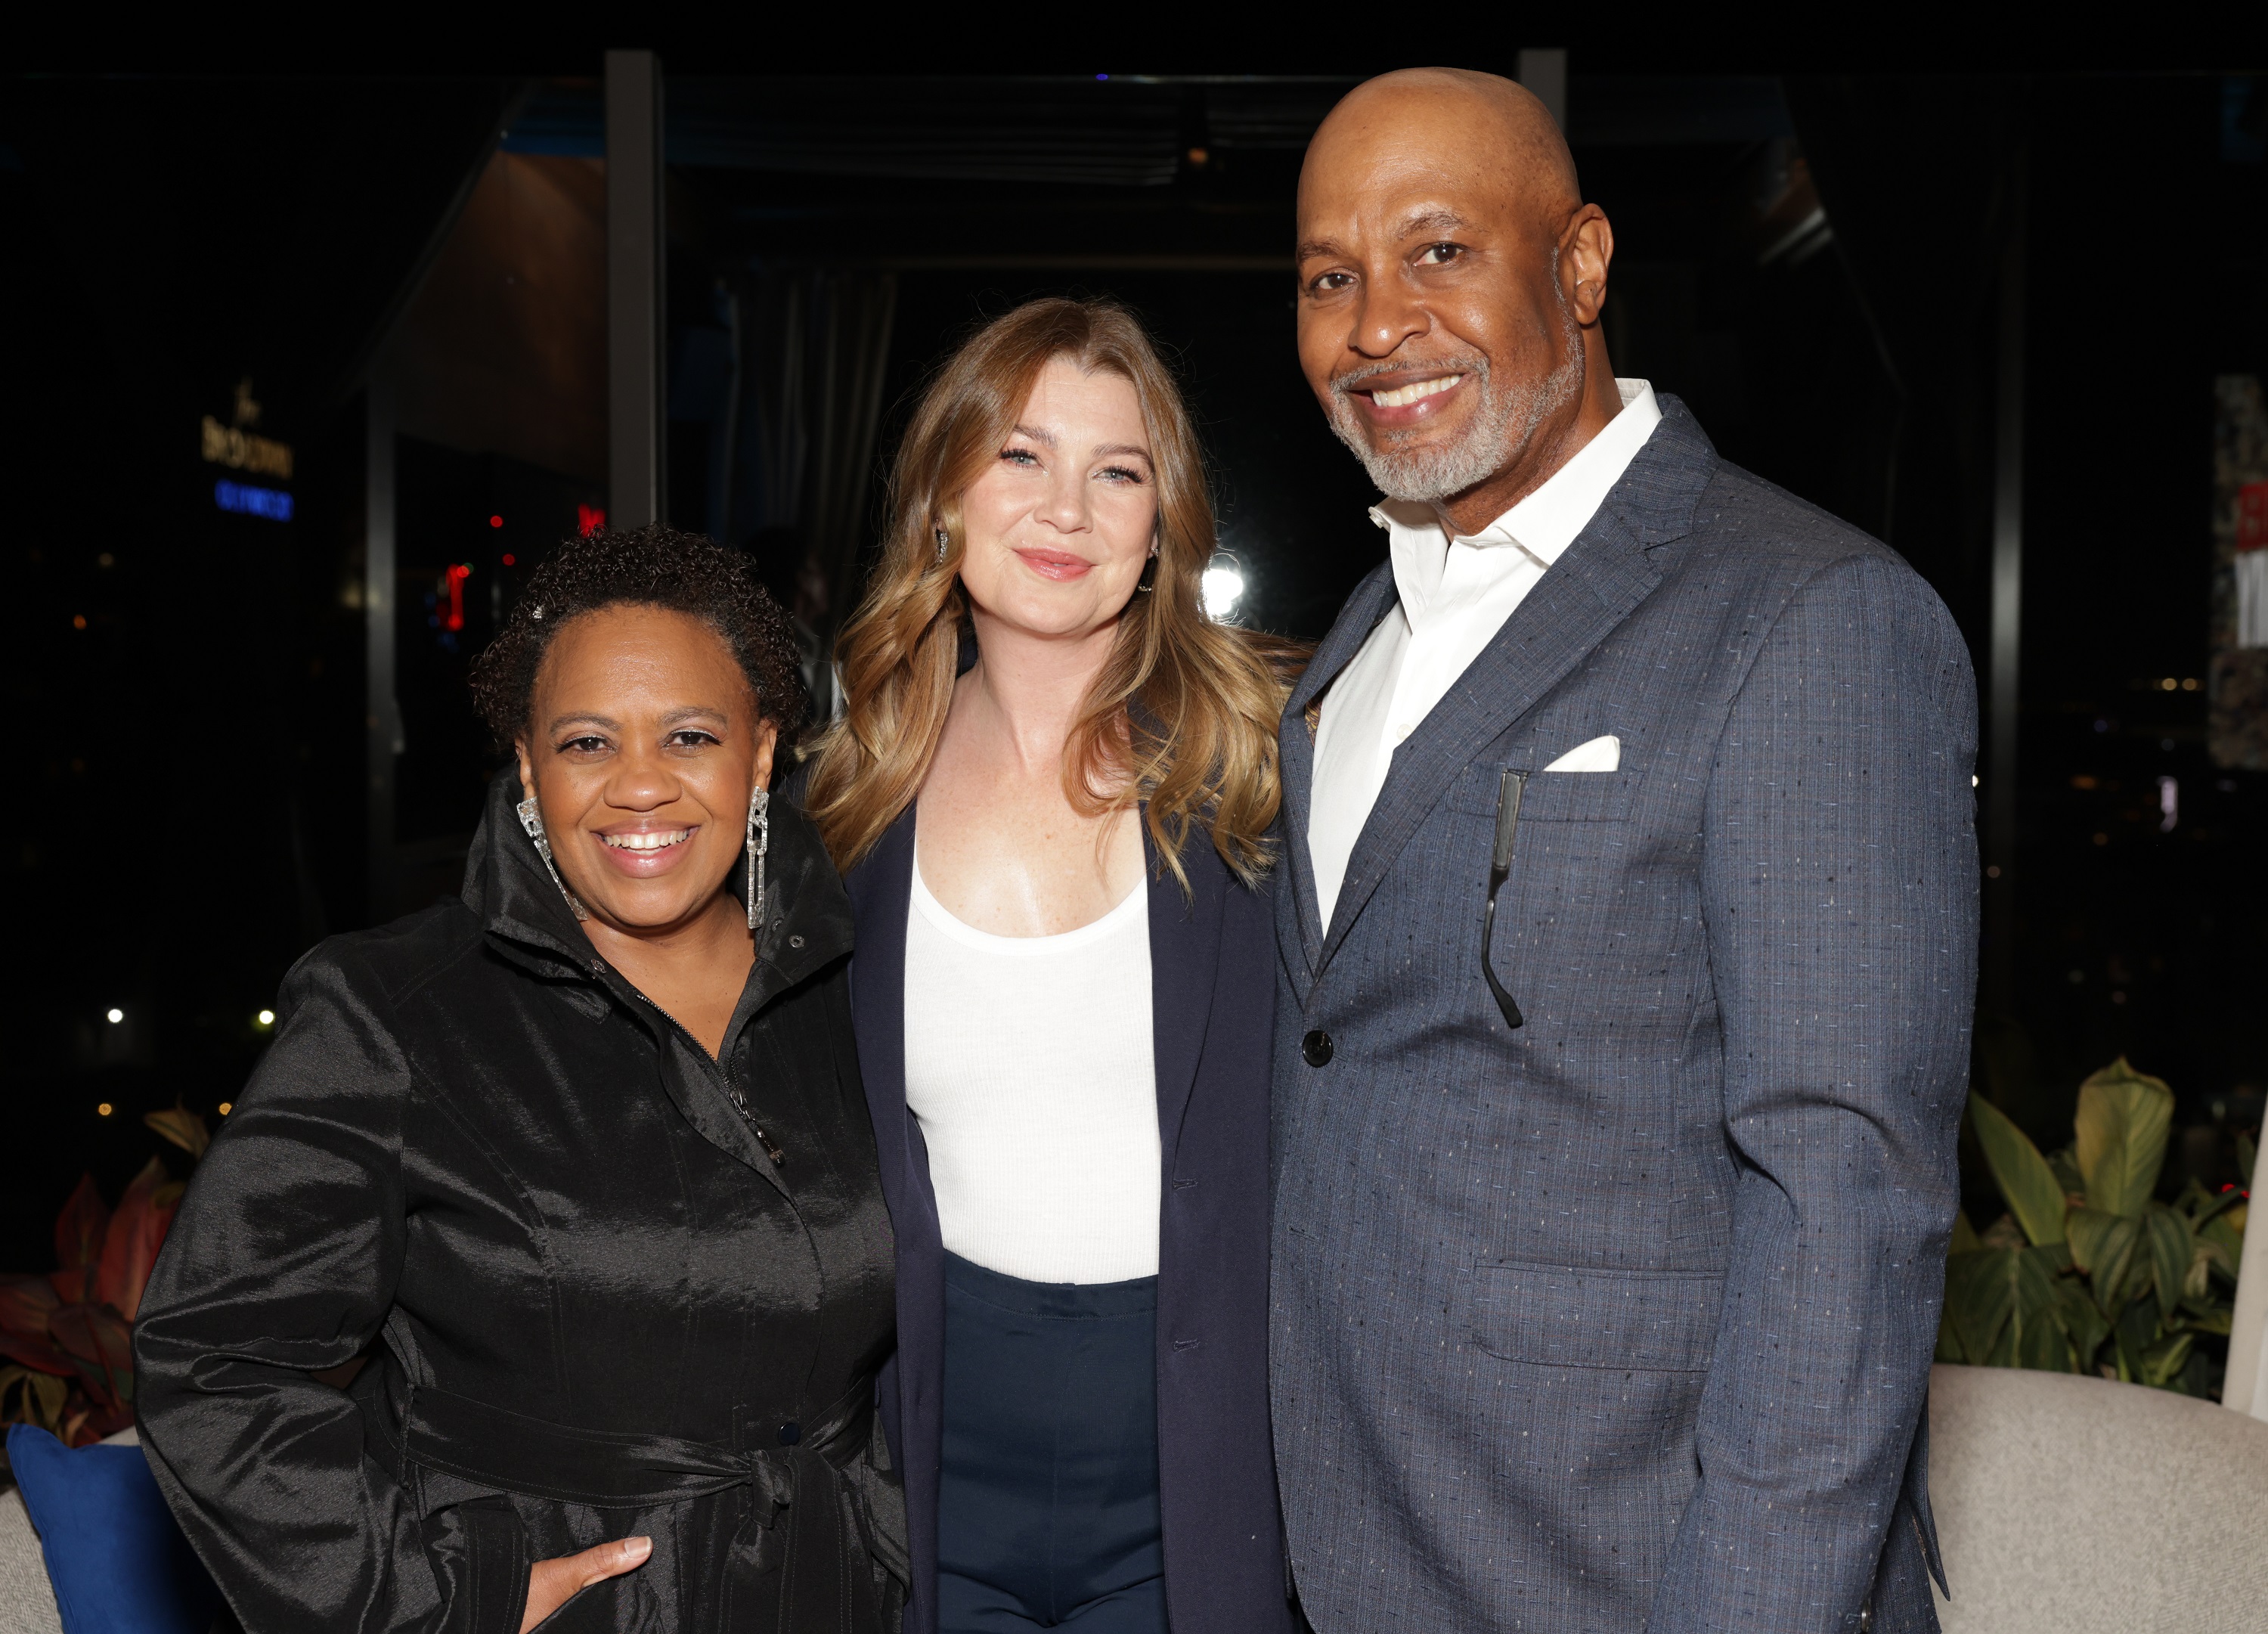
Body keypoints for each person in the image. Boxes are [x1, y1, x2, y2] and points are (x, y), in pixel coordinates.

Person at [1270, 69, 1975, 1632]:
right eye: (1329, 277)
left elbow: (1845, 1210)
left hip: (1631, 1575)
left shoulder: (1811, 615)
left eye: (1437, 251)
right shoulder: (1363, 633)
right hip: (1358, 1560)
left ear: (1580, 265)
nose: (1376, 324)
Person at [135, 526, 906, 1634]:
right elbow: (211, 1358)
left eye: (690, 735)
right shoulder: (397, 1010)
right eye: (588, 742)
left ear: (762, 752)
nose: (640, 785)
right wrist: (446, 1598)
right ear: (531, 768)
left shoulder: (861, 984)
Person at [802, 298, 1297, 1634]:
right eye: (1020, 454)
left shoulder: (1260, 784)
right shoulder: (849, 805)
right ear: (944, 493)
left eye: (1117, 471)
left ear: (1161, 524)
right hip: (931, 1462)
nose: (1065, 508)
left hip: (1198, 1466)